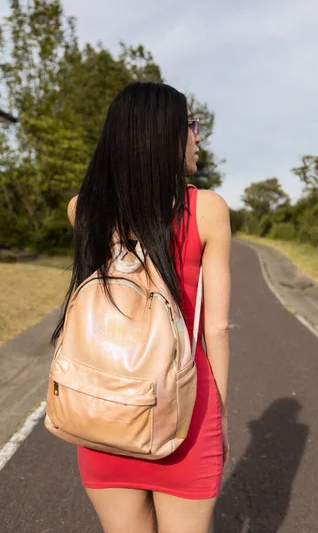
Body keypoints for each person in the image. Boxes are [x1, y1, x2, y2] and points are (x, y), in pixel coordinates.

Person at [51, 81, 231, 533]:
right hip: (185, 411)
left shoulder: (83, 209)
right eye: (191, 125)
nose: (197, 137)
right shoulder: (206, 209)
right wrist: (220, 418)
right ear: (164, 136)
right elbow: (217, 330)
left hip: (107, 405)